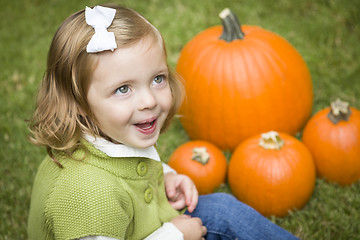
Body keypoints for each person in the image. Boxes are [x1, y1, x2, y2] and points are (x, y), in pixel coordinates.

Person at [27, 4, 300, 240]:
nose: (149, 101)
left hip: (146, 227)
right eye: (123, 89)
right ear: (78, 103)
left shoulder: (110, 134)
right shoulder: (88, 197)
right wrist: (175, 235)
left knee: (223, 211)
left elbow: (130, 168)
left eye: (158, 79)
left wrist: (166, 175)